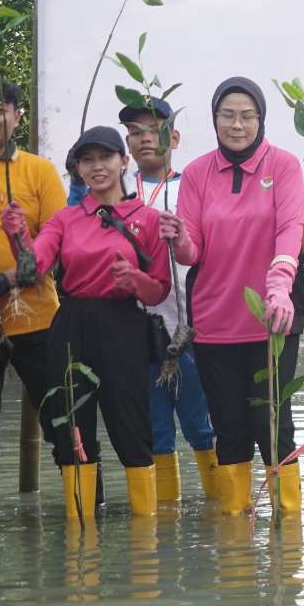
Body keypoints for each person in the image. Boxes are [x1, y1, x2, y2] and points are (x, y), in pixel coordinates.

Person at [2, 126, 171, 516]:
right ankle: (82, 535)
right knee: (71, 427)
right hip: (72, 325)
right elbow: (35, 266)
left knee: (130, 425)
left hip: (124, 326)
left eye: (105, 157)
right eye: (87, 160)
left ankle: (144, 540)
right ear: (77, 168)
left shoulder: (147, 218)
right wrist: (19, 236)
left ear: (123, 161)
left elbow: (158, 290)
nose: (97, 167)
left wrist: (135, 280)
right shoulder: (65, 220)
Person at [163, 79, 304, 516]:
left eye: (247, 115)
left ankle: (290, 532)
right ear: (215, 120)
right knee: (228, 428)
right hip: (214, 321)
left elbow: (291, 230)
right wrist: (180, 237)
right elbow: (193, 253)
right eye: (228, 115)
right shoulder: (197, 172)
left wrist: (280, 284)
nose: (238, 124)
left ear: (261, 118)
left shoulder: (283, 165)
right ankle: (235, 541)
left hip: (271, 319)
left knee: (274, 425)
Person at [120, 98, 220, 503]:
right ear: (127, 143)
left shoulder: (192, 187)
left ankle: (220, 513)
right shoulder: (121, 192)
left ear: (173, 138)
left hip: (190, 326)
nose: (145, 139)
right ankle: (162, 524)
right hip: (138, 330)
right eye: (136, 133)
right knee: (155, 429)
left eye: (155, 131)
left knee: (200, 424)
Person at [0, 75, 64, 493]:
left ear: (16, 117)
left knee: (64, 420)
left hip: (35, 315)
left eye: (0, 108)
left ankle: (88, 520)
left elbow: (57, 245)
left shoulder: (39, 171)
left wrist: (14, 269)